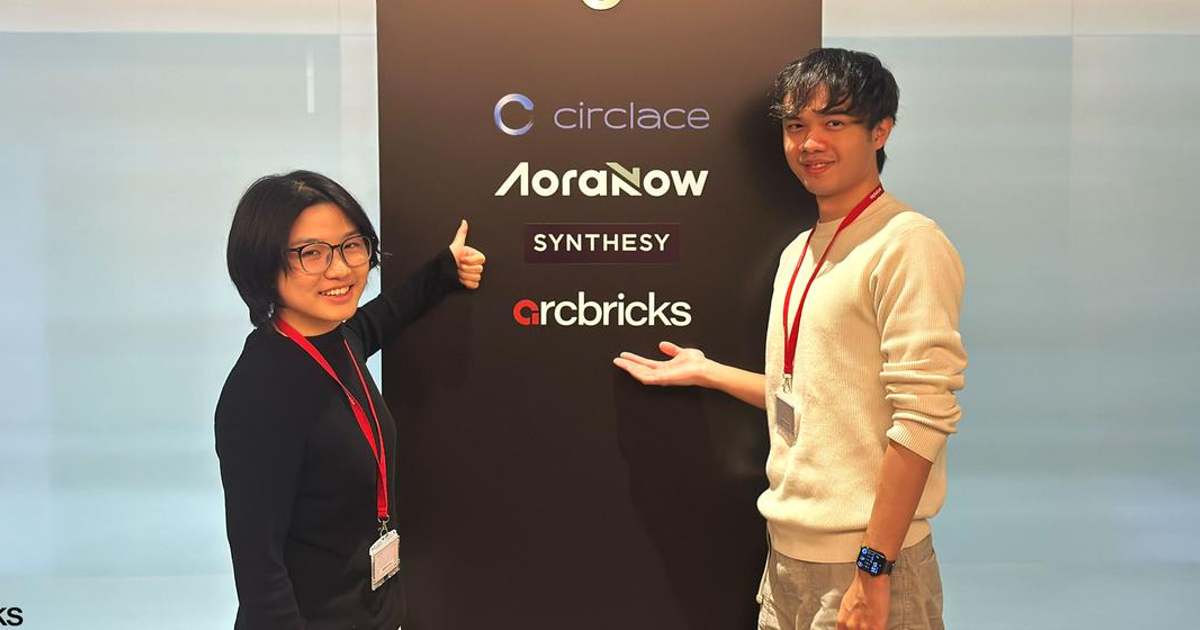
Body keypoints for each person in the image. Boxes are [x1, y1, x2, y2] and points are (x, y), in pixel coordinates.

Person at [613, 49, 966, 630]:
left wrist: (873, 569)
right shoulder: (799, 251)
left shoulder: (908, 243)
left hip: (868, 566)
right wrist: (707, 371)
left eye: (835, 123)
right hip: (787, 560)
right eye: (796, 125)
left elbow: (923, 418)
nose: (810, 143)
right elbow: (808, 398)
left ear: (881, 131)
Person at [216, 170, 486, 629]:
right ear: (262, 263)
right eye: (311, 253)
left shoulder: (338, 338)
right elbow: (260, 575)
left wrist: (445, 268)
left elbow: (381, 318)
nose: (340, 269)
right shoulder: (260, 391)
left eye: (351, 245)